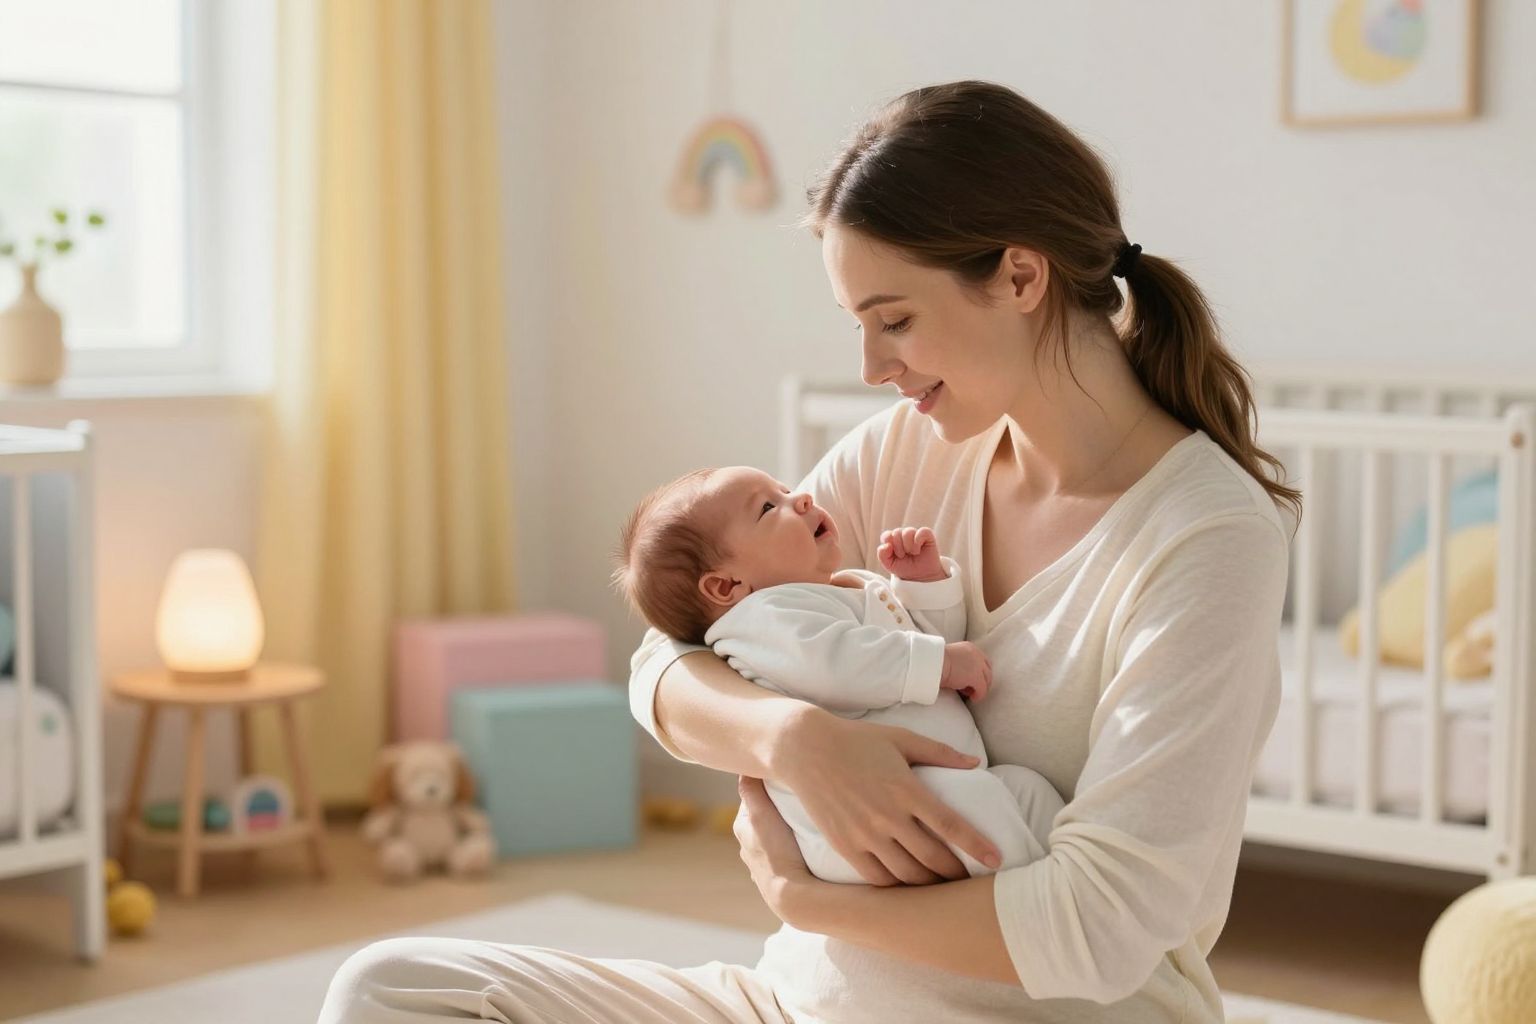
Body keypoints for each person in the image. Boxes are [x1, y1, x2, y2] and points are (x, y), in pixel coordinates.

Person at [318, 78, 1298, 1024]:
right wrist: (793, 739)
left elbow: (1102, 928)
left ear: (1020, 276)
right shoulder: (907, 450)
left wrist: (808, 901)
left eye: (895, 320)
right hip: (795, 1004)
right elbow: (668, 657)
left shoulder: (1207, 536)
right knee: (393, 989)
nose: (871, 367)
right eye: (859, 326)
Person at [609, 463, 1064, 885]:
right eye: (768, 507)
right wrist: (940, 663)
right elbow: (834, 665)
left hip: (939, 780)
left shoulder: (844, 588)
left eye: (786, 489)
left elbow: (925, 644)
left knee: (1029, 790)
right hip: (863, 818)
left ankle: (1059, 880)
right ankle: (1032, 897)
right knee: (984, 807)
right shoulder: (762, 619)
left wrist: (923, 585)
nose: (802, 498)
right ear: (726, 585)